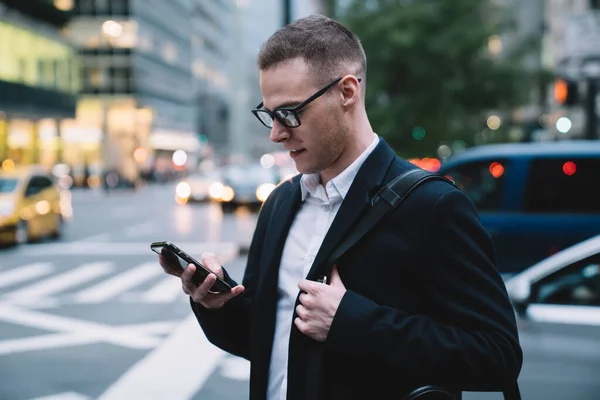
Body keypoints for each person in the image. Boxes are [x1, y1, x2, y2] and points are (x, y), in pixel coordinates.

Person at [158, 14, 522, 400]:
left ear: (347, 92)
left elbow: (496, 355)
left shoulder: (433, 207)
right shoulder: (281, 203)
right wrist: (216, 305)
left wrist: (353, 322)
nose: (276, 133)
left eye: (289, 113)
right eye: (269, 114)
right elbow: (267, 343)